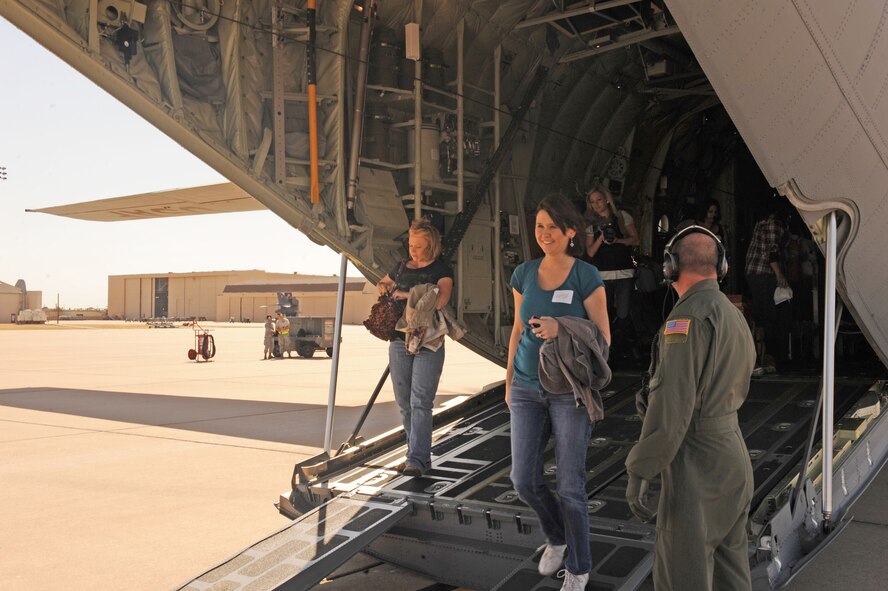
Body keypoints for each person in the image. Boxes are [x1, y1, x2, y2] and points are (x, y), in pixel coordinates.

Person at [626, 226, 756, 591]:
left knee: (682, 578)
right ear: (721, 266)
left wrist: (640, 468)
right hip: (733, 458)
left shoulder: (686, 320)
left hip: (698, 467)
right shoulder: (732, 314)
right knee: (731, 577)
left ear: (670, 266)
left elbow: (673, 406)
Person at [507, 193, 611, 591]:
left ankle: (579, 568)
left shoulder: (586, 275)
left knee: (570, 486)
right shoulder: (523, 273)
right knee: (523, 479)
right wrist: (509, 381)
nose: (545, 233)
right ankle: (556, 537)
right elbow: (517, 330)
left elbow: (603, 338)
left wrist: (560, 327)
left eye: (553, 226)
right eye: (539, 226)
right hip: (526, 388)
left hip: (569, 392)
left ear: (571, 231)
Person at [376, 218, 454, 477]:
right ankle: (415, 454)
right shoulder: (401, 267)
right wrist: (383, 287)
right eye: (411, 245)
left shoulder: (441, 270)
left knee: (421, 401)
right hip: (399, 340)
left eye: (419, 246)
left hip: (428, 341)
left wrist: (405, 295)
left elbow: (440, 300)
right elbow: (382, 283)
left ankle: (417, 459)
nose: (413, 250)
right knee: (404, 402)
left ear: (431, 246)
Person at [584, 185, 640, 358]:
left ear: (607, 200)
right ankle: (608, 351)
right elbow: (590, 252)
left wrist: (617, 240)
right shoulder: (591, 224)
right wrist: (601, 237)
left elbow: (636, 240)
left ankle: (631, 346)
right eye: (593, 202)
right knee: (605, 315)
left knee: (623, 314)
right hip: (602, 275)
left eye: (599, 200)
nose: (597, 204)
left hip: (624, 273)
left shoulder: (622, 217)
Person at [745, 206, 789, 368]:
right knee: (768, 315)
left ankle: (762, 355)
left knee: (762, 314)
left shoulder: (762, 222)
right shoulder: (773, 223)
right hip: (763, 272)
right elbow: (772, 252)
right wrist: (779, 275)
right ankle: (768, 356)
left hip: (755, 271)